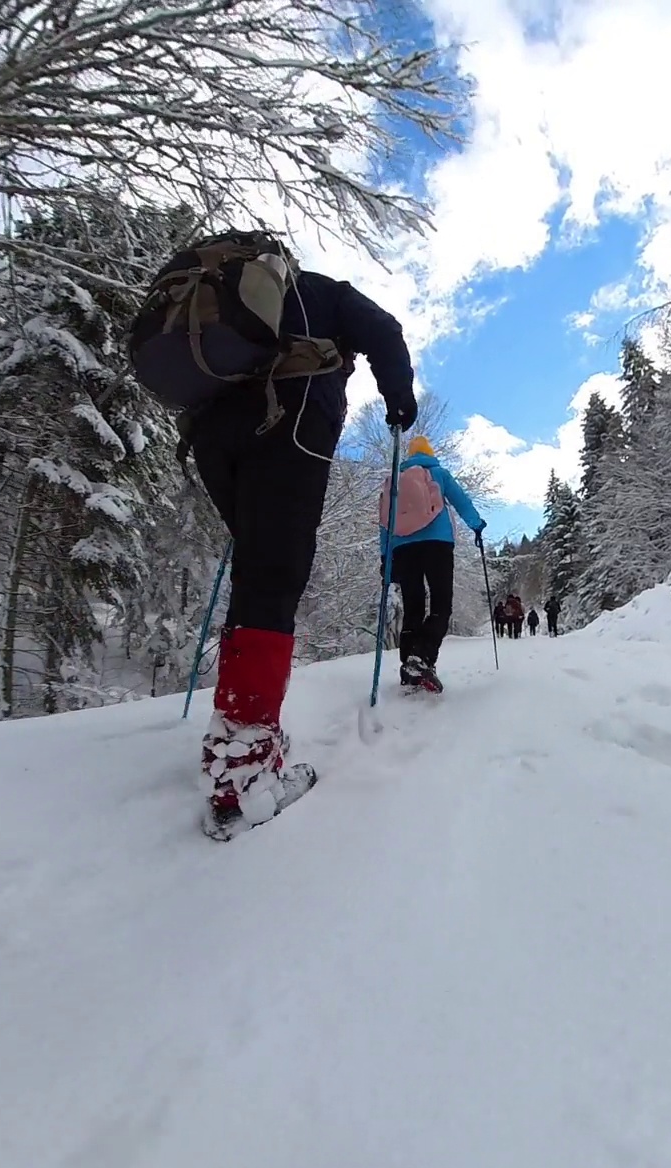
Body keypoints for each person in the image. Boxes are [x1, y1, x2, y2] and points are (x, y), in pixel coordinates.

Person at [191, 245, 418, 837]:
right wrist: (399, 399)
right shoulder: (324, 293)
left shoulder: (221, 309)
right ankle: (241, 772)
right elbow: (384, 330)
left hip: (212, 432)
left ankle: (237, 730)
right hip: (288, 422)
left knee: (254, 570)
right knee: (273, 575)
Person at [379, 435, 486, 693]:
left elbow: (385, 521)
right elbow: (461, 501)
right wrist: (477, 525)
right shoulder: (438, 473)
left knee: (413, 606)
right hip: (437, 544)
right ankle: (423, 658)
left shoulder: (394, 480)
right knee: (441, 604)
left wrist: (386, 557)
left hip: (403, 548)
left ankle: (409, 666)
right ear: (429, 452)